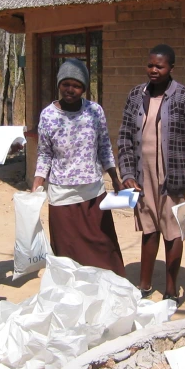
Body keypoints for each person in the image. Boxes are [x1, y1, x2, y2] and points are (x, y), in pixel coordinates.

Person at [117, 44, 185, 303]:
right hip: (143, 175)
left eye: (160, 66)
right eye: (150, 65)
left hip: (173, 177)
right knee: (148, 229)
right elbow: (124, 136)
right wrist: (126, 173)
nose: (154, 70)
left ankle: (170, 289)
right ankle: (143, 286)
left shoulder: (183, 97)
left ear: (171, 68)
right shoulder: (136, 95)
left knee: (172, 230)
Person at [32, 58, 126, 276]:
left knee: (102, 246)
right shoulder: (48, 115)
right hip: (61, 195)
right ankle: (72, 296)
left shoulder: (94, 111)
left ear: (84, 88)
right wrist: (37, 183)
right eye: (66, 84)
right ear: (59, 84)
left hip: (93, 192)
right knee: (67, 251)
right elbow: (44, 153)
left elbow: (104, 147)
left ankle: (107, 290)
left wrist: (114, 177)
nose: (70, 89)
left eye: (76, 85)